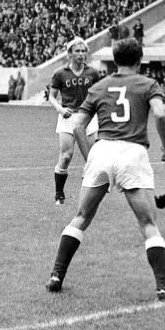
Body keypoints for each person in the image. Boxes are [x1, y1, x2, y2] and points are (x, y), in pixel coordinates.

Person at [45, 38, 165, 300]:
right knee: (148, 223)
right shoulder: (148, 84)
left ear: (115, 59)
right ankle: (163, 286)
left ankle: (56, 275)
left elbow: (79, 125)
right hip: (132, 152)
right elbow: (160, 115)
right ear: (139, 60)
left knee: (81, 217)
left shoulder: (100, 85)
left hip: (102, 151)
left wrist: (91, 156)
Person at [48, 38, 102, 205]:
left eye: (83, 51)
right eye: (77, 51)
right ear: (69, 53)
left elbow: (98, 94)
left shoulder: (92, 73)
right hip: (68, 118)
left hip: (88, 117)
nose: (81, 54)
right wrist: (60, 109)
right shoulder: (60, 73)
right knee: (66, 156)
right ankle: (59, 194)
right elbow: (51, 96)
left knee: (92, 157)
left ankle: (88, 195)